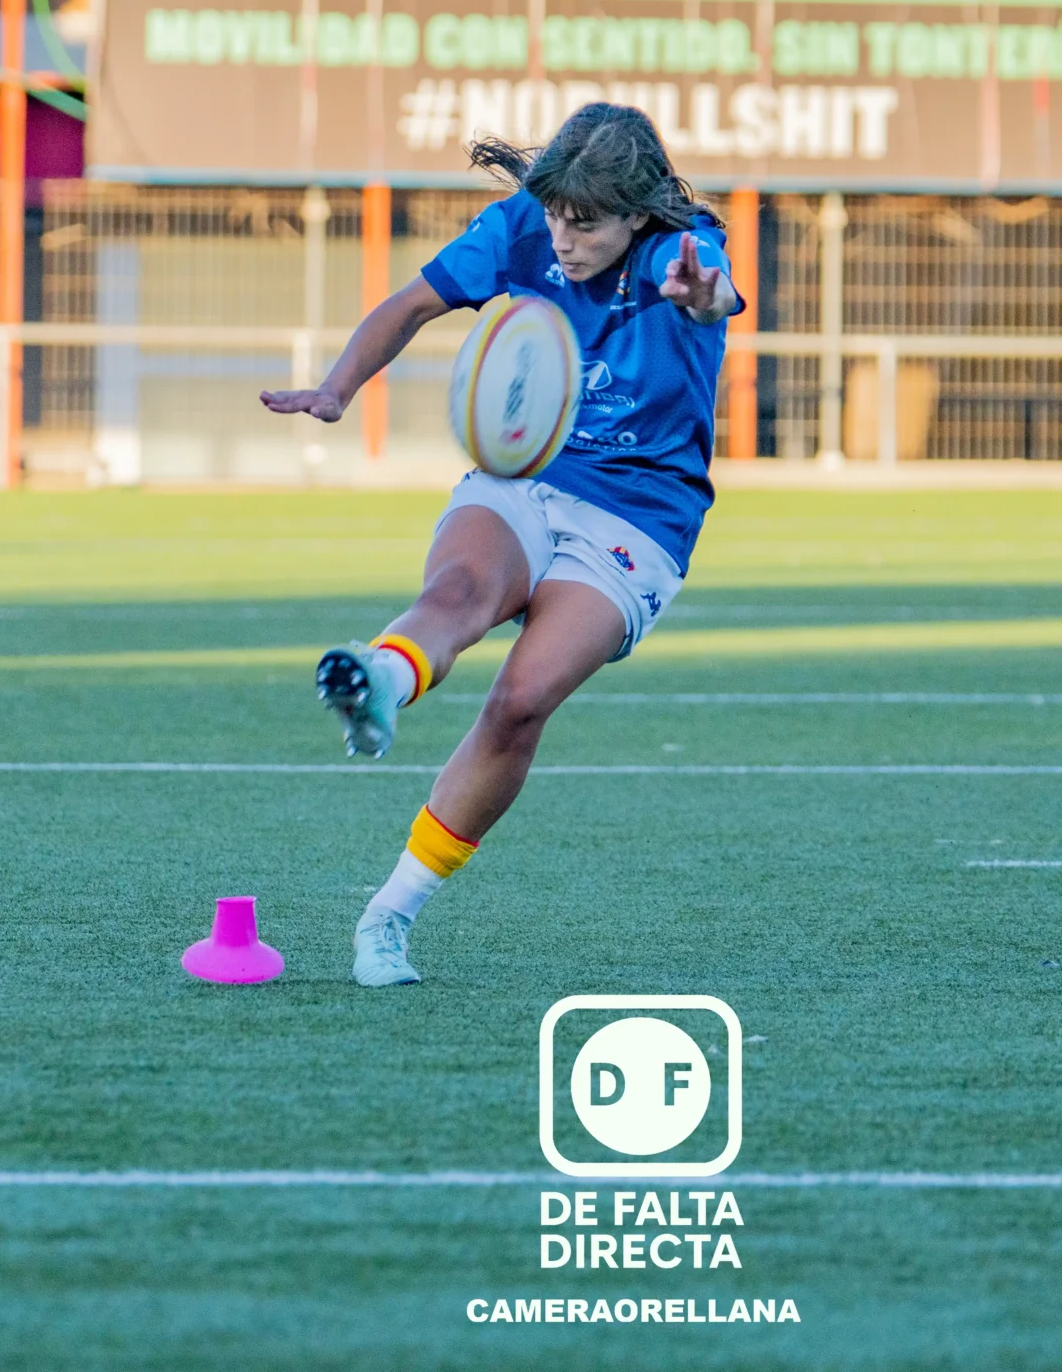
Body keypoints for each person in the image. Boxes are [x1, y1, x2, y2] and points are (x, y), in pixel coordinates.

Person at [260, 103, 743, 985]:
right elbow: (414, 302)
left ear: (638, 213)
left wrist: (702, 298)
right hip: (526, 470)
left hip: (637, 513)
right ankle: (380, 679)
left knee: (521, 698)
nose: (563, 237)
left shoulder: (687, 247)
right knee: (458, 595)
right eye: (556, 213)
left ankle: (388, 917)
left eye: (586, 222)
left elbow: (715, 294)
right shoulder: (527, 220)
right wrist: (336, 389)